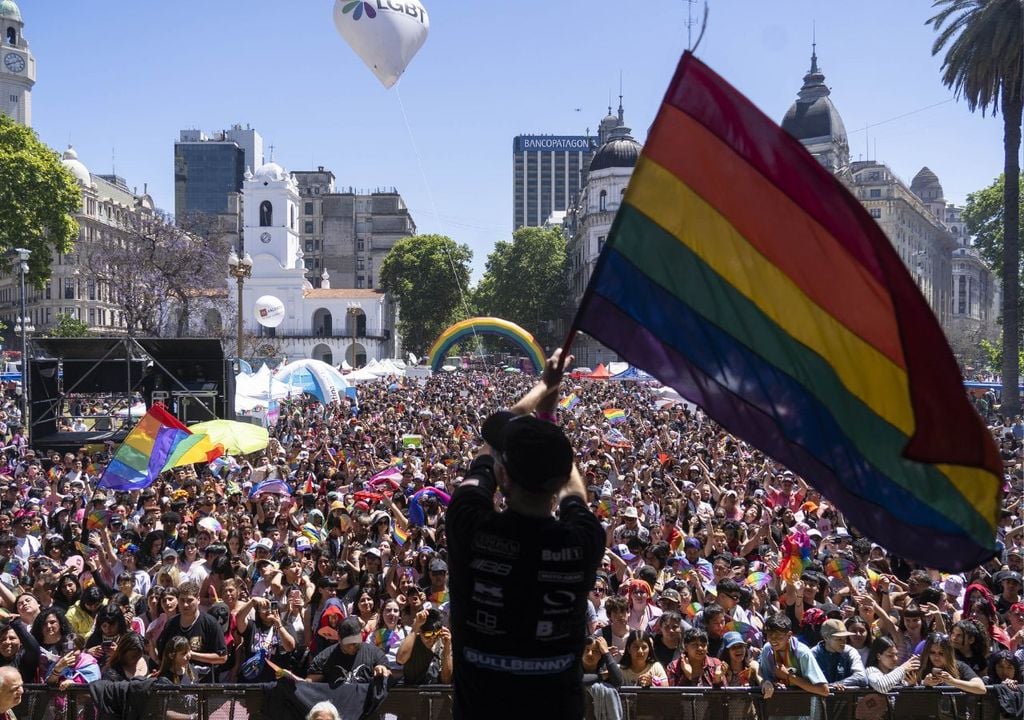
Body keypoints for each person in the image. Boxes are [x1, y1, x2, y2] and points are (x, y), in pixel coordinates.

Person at [446, 350, 605, 720]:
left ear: (502, 477)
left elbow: (494, 438)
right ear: (561, 475)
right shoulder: (583, 541)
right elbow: (574, 494)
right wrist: (549, 416)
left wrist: (545, 386)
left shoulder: (468, 523)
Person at [155, 581, 227, 682]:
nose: (185, 604)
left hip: (203, 683)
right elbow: (163, 655)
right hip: (175, 683)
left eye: (189, 600)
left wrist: (190, 655)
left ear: (198, 600)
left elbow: (222, 657)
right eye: (182, 600)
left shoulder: (210, 623)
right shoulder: (171, 624)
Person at [759, 614, 829, 700]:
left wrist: (788, 676)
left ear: (789, 635)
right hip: (778, 704)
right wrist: (770, 683)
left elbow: (824, 690)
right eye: (769, 635)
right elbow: (767, 678)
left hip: (805, 705)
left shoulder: (802, 653)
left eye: (778, 636)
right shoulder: (767, 649)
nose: (773, 640)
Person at [305, 617, 391, 684]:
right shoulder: (324, 658)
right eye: (348, 644)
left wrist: (382, 669)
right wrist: (300, 683)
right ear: (339, 638)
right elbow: (311, 683)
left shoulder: (375, 654)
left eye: (355, 643)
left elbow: (388, 674)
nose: (352, 647)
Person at [395, 608, 452, 685]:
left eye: (436, 636)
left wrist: (447, 647)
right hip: (413, 692)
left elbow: (446, 680)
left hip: (437, 693)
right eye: (427, 637)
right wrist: (415, 626)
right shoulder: (412, 642)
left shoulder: (444, 643)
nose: (432, 641)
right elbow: (400, 659)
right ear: (420, 632)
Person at [916, 631, 986, 695]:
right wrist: (924, 684)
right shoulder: (920, 667)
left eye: (941, 653)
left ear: (948, 654)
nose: (936, 657)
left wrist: (953, 682)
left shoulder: (959, 666)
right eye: (932, 652)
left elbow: (981, 688)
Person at [810, 618, 867, 691]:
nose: (843, 643)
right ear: (826, 638)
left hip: (844, 698)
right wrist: (829, 687)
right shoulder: (813, 654)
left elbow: (861, 677)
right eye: (839, 639)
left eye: (845, 639)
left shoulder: (850, 651)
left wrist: (837, 684)